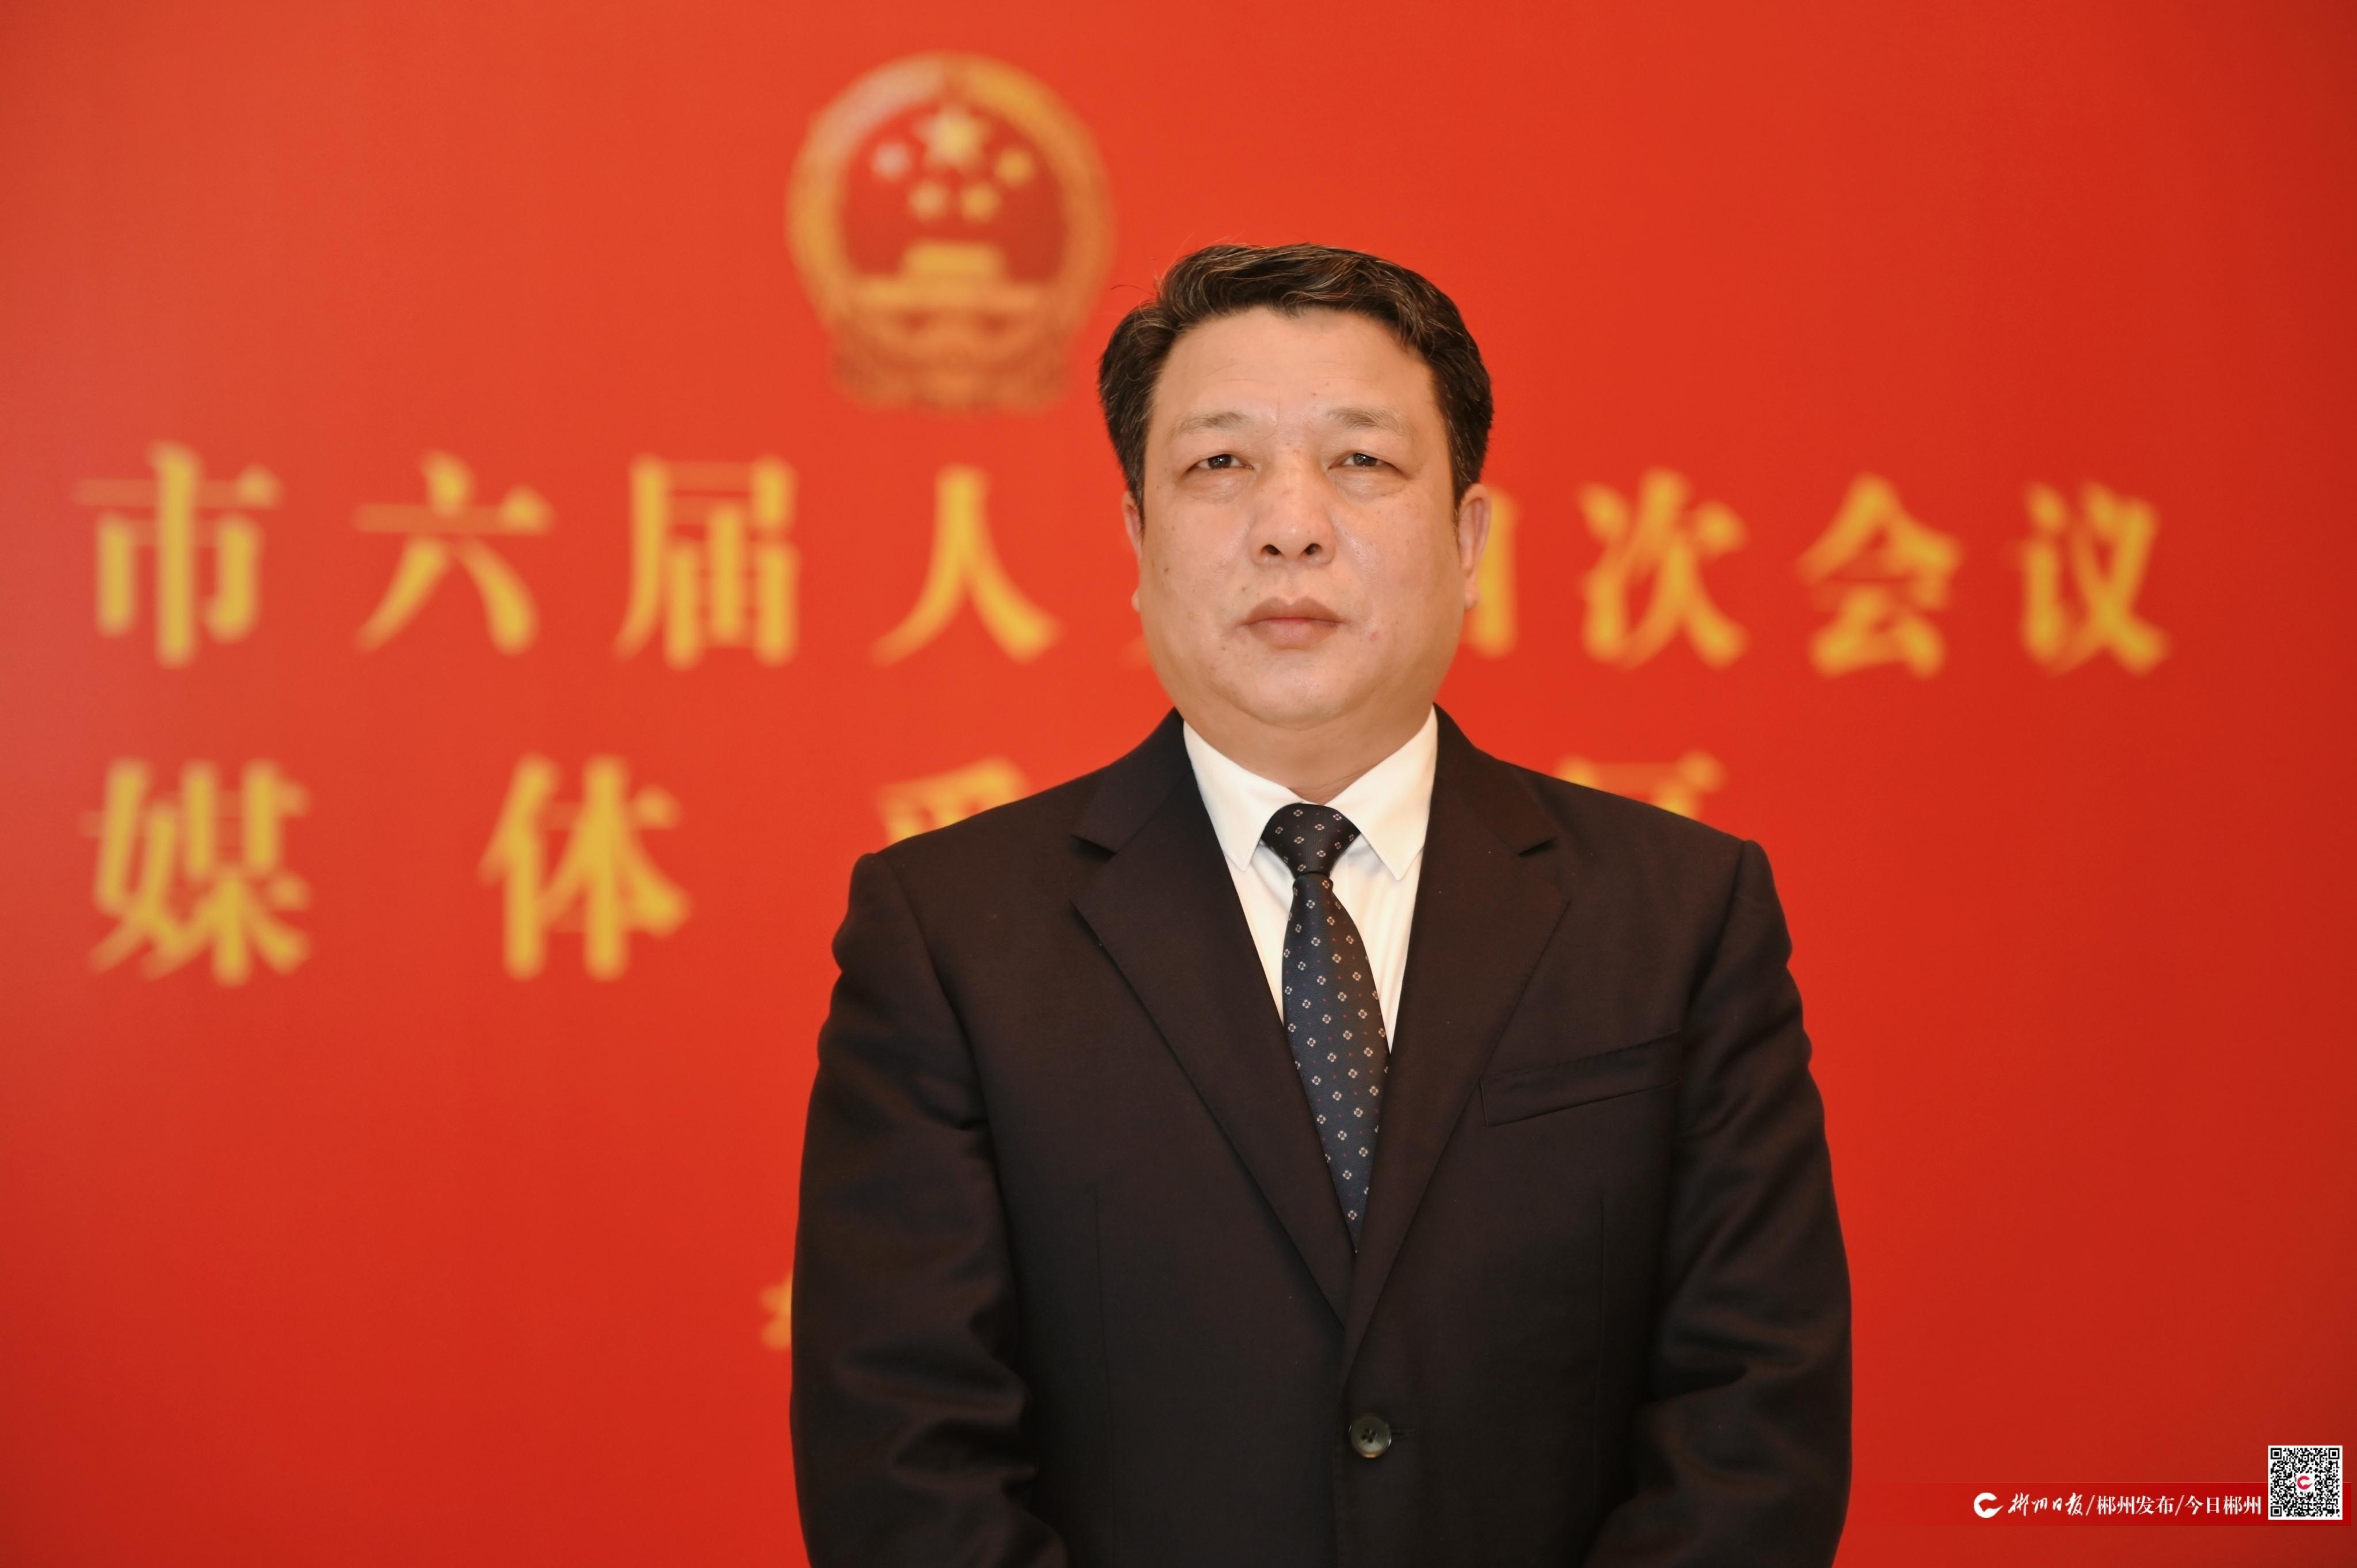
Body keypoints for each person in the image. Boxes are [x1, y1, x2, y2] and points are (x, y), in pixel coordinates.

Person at [790, 242, 1850, 1567]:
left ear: (1467, 539)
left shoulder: (1678, 916)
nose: (1288, 523)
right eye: (1218, 463)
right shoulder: (948, 936)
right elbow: (902, 1460)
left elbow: (1750, 1421)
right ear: (1136, 542)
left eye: (1359, 459)